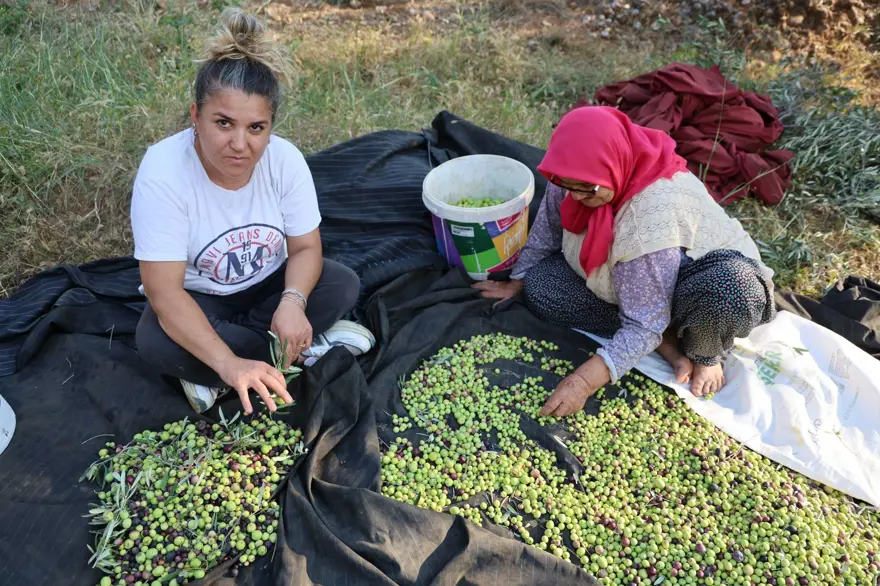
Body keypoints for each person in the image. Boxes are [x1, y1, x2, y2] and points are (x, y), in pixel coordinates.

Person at [131, 8, 374, 415]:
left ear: (270, 127)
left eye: (256, 128)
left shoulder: (285, 161)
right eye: (223, 123)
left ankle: (223, 363)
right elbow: (164, 291)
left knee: (342, 284)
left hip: (268, 285)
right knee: (154, 338)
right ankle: (291, 352)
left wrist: (293, 302)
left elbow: (305, 249)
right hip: (201, 297)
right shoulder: (163, 173)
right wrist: (230, 364)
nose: (240, 144)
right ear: (196, 116)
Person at [475, 106, 776, 417]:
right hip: (635, 288)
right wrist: (517, 281)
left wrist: (582, 382)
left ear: (614, 166)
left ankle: (705, 353)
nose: (576, 197)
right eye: (568, 187)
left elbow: (646, 317)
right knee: (542, 286)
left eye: (587, 190)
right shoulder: (574, 175)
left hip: (695, 286)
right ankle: (666, 343)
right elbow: (546, 233)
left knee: (732, 292)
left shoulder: (649, 215)